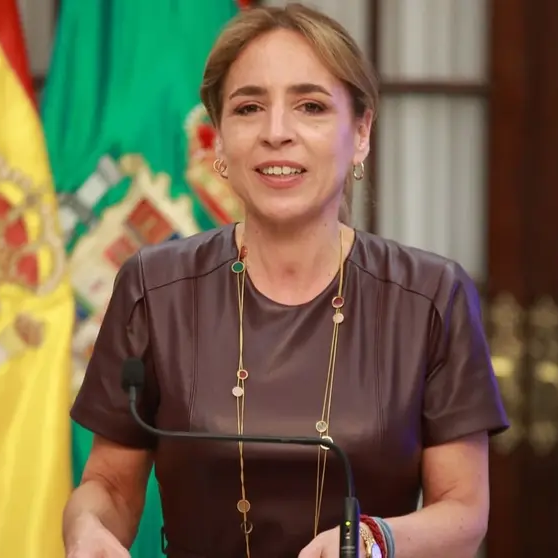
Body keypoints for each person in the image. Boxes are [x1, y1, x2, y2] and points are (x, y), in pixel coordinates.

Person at [61, 4, 508, 557]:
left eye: (310, 106)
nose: (276, 133)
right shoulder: (154, 288)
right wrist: (87, 529)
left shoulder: (430, 295)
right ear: (217, 138)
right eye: (249, 108)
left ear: (361, 133)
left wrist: (372, 542)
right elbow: (108, 487)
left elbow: (464, 511)